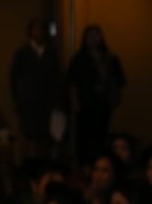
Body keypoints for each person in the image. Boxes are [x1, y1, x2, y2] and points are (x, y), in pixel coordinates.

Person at [66, 24, 126, 165]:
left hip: (104, 103)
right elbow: (72, 82)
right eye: (90, 36)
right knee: (84, 135)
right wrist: (75, 101)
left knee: (101, 134)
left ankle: (100, 161)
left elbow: (119, 80)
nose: (93, 39)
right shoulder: (79, 59)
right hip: (85, 103)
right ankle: (84, 163)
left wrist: (115, 97)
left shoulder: (110, 58)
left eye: (96, 35)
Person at [8, 18, 61, 160]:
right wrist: (18, 100)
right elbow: (14, 78)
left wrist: (57, 100)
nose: (38, 32)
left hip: (47, 102)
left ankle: (43, 163)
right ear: (30, 32)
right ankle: (28, 163)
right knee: (28, 134)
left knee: (45, 136)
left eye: (41, 29)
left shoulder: (51, 53)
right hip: (28, 102)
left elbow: (56, 78)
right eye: (35, 29)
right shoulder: (22, 53)